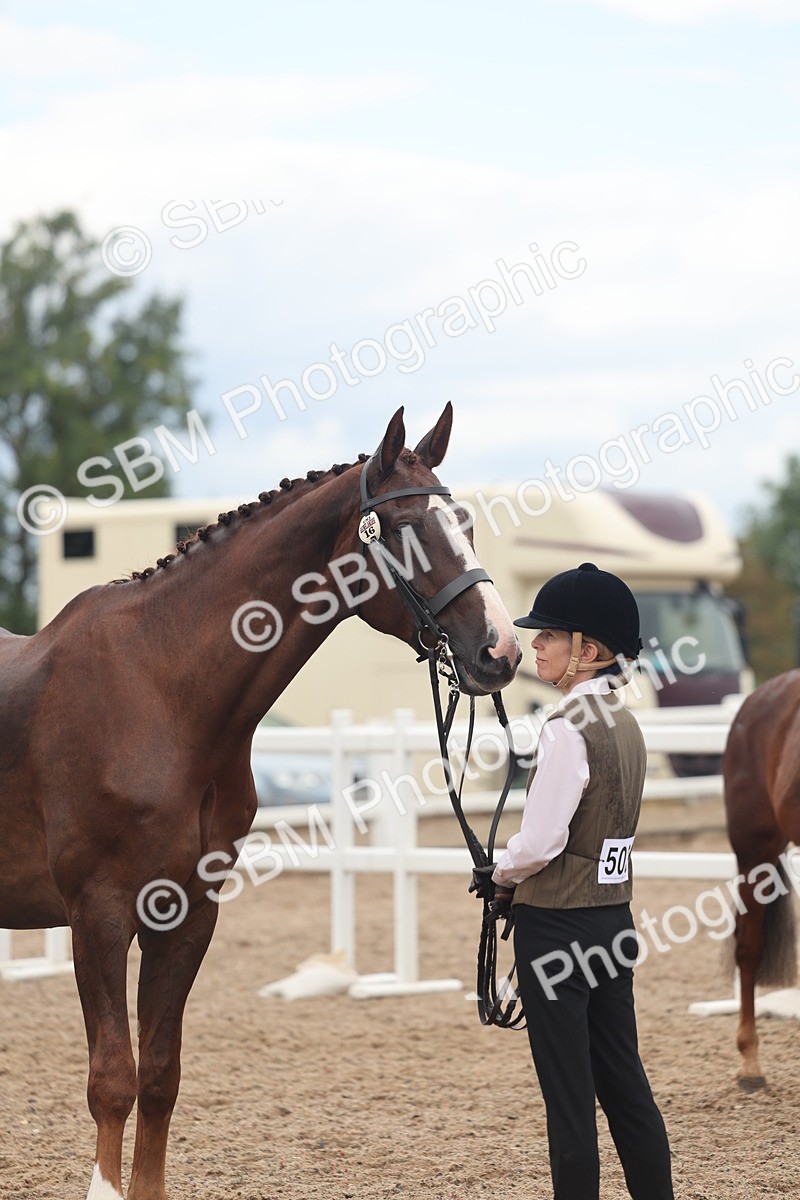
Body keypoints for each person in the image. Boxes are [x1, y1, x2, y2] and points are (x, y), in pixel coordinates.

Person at [473, 562, 674, 1200]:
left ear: (586, 652)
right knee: (625, 1087)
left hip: (556, 929)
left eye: (548, 636)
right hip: (613, 922)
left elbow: (541, 842)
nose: (533, 645)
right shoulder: (628, 726)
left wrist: (498, 872)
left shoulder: (565, 729)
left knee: (568, 1102)